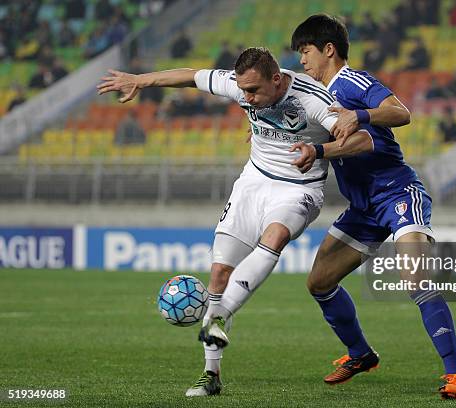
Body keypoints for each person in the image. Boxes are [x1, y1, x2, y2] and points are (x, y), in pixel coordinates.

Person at [97, 46, 375, 396]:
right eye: (243, 90)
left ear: (277, 79)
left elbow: (363, 141)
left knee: (274, 238)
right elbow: (191, 76)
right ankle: (211, 375)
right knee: (218, 274)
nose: (247, 98)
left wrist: (318, 151)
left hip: (298, 189)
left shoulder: (312, 99)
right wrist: (140, 79)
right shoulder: (241, 84)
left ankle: (221, 313)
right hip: (252, 183)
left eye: (254, 91)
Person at [291, 15, 456, 399]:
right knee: (319, 281)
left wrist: (361, 115)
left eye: (305, 51)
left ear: (328, 49)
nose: (301, 60)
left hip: (399, 194)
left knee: (416, 280)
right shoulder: (316, 95)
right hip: (363, 208)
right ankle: (361, 354)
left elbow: (401, 112)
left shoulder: (353, 83)